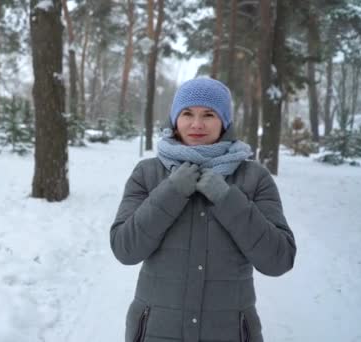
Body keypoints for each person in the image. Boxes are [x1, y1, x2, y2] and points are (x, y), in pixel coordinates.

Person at [110, 77, 296, 342]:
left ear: (224, 121)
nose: (197, 124)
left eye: (209, 114)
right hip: (156, 333)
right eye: (187, 113)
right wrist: (171, 192)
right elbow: (125, 249)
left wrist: (227, 198)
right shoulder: (147, 173)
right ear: (175, 119)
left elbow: (279, 259)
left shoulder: (254, 178)